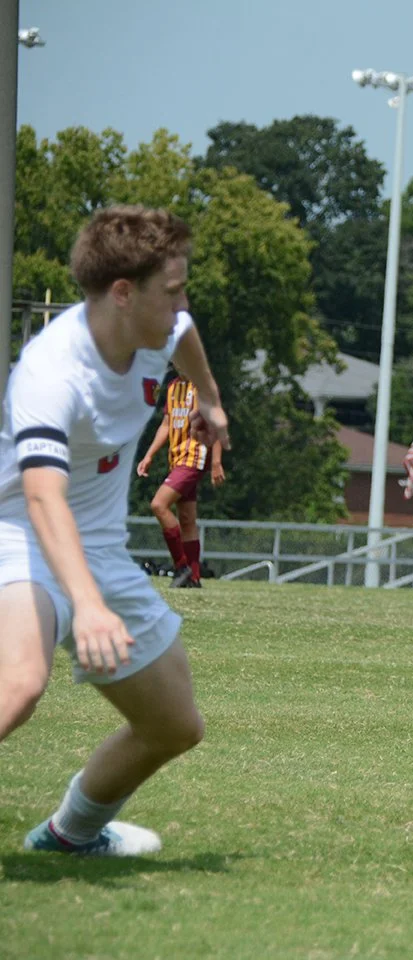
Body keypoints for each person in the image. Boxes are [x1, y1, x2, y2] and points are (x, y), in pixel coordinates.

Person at [0, 205, 229, 855]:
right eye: (173, 290)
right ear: (123, 293)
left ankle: (67, 837)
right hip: (19, 536)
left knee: (175, 725)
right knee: (18, 684)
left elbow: (184, 334)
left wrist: (210, 399)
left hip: (99, 550)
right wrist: (89, 605)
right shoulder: (51, 373)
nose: (182, 305)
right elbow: (43, 497)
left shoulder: (154, 328)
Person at [137, 370, 225, 588]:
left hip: (193, 457)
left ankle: (181, 567)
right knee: (186, 519)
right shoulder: (172, 387)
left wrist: (216, 462)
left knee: (159, 505)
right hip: (176, 459)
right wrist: (149, 455)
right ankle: (193, 578)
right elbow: (167, 424)